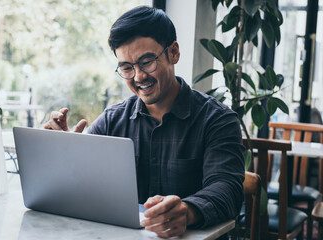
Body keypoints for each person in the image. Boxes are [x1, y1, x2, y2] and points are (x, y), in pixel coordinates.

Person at [44, 6, 245, 239]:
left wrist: (188, 211)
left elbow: (228, 189)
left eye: (147, 62)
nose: (138, 76)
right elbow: (82, 186)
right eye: (127, 68)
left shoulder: (218, 120)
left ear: (174, 52)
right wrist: (66, 152)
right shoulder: (112, 120)